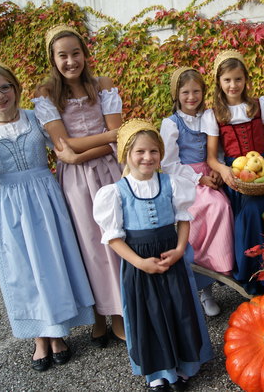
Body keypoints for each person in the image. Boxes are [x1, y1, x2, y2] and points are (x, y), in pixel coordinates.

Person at [0, 61, 94, 371]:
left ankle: (57, 333)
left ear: (15, 88)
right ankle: (39, 337)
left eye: (4, 87)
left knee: (54, 265)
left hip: (46, 199)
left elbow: (64, 147)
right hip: (12, 205)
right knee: (24, 271)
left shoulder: (35, 118)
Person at [93, 119, 213, 391]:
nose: (148, 157)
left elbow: (183, 219)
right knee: (148, 315)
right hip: (139, 263)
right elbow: (113, 237)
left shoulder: (172, 184)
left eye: (153, 151)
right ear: (126, 154)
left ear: (161, 153)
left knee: (179, 310)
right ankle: (158, 372)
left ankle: (185, 365)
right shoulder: (115, 192)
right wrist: (139, 263)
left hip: (172, 256)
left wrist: (181, 249)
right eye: (140, 152)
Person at [33, 25, 125, 346]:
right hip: (75, 182)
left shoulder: (103, 85)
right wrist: (104, 139)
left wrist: (83, 149)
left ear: (85, 54)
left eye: (76, 53)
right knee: (89, 244)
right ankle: (100, 314)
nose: (71, 61)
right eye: (63, 55)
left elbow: (116, 138)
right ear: (53, 59)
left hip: (109, 172)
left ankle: (120, 314)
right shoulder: (46, 95)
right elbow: (63, 144)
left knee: (116, 237)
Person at [205, 50, 264, 294]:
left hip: (263, 168)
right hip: (235, 172)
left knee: (252, 213)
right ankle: (252, 276)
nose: (233, 85)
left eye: (238, 79)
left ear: (246, 79)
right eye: (227, 80)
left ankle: (262, 276)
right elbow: (212, 157)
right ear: (219, 83)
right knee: (246, 214)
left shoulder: (259, 104)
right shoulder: (214, 114)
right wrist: (222, 170)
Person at [159, 67, 235, 316]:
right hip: (185, 178)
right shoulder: (171, 124)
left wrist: (216, 170)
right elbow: (169, 163)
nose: (191, 97)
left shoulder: (209, 116)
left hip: (208, 173)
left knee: (221, 206)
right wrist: (198, 177)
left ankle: (216, 274)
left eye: (196, 91)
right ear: (176, 94)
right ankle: (201, 289)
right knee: (197, 214)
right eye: (185, 92)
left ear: (203, 92)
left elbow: (217, 149)